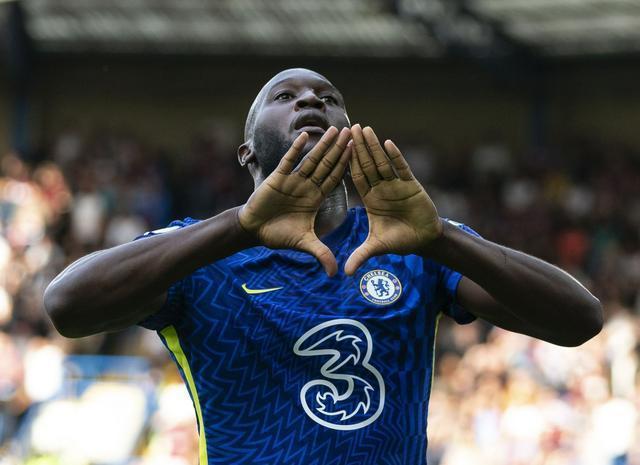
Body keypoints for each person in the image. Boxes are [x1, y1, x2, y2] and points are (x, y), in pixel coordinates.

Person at [43, 68, 603, 465]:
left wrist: (444, 239)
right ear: (247, 153)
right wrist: (238, 227)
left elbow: (580, 320)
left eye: (327, 97)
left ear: (353, 140)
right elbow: (66, 306)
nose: (310, 99)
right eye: (285, 96)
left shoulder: (412, 244)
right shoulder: (200, 253)